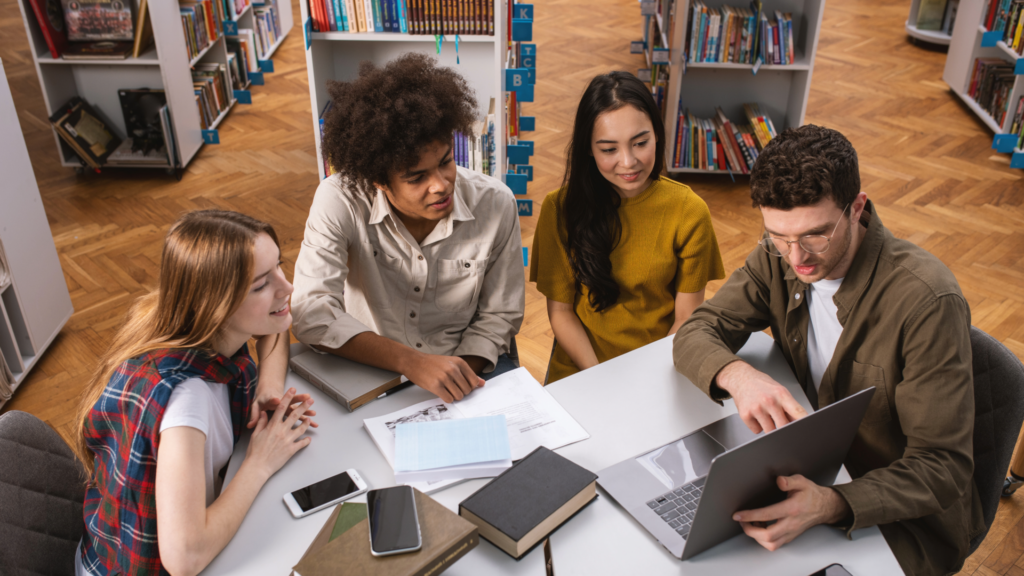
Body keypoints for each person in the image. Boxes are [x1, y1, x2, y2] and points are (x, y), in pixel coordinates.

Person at [673, 125, 982, 575]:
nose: (796, 257)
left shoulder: (927, 303)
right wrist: (739, 376)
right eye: (779, 236)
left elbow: (943, 467)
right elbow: (696, 330)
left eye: (815, 234)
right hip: (811, 468)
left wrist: (831, 503)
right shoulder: (778, 254)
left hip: (897, 521)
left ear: (857, 208)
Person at [75, 211, 317, 576]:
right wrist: (260, 461)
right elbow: (184, 557)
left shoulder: (187, 323)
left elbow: (277, 323)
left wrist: (267, 388)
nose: (288, 287)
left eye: (280, 268)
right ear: (215, 304)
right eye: (261, 285)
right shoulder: (187, 400)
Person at [292, 53, 525, 403]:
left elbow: (500, 316)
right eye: (417, 177)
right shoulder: (339, 199)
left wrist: (452, 377)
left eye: (446, 161)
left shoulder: (496, 203)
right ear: (378, 181)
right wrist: (413, 363)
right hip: (369, 367)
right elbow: (311, 312)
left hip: (468, 369)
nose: (442, 184)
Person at [530, 71, 724, 383]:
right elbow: (562, 314)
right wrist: (602, 379)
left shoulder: (689, 211)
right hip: (581, 370)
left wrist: (646, 379)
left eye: (640, 143)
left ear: (657, 135)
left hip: (660, 366)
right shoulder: (560, 208)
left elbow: (686, 317)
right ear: (588, 150)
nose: (628, 161)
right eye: (609, 149)